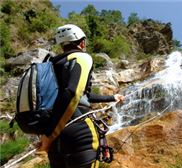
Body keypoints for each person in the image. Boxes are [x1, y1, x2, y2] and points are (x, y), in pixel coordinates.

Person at [37, 24, 124, 168]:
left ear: (62, 45)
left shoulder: (53, 64)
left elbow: (83, 95)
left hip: (56, 139)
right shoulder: (82, 57)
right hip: (79, 130)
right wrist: (49, 135)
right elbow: (73, 93)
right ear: (82, 42)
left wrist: (112, 97)